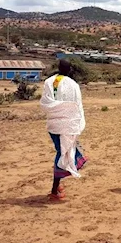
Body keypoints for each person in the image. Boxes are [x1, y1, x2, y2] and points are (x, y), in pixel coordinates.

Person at [40, 60, 87, 200]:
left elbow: (45, 102)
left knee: (63, 151)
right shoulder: (73, 85)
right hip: (67, 125)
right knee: (63, 153)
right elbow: (76, 105)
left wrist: (58, 109)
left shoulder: (49, 82)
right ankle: (55, 190)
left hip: (53, 125)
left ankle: (57, 185)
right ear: (70, 69)